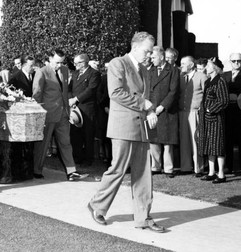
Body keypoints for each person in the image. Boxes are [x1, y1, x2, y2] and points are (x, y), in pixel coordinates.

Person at [88, 31, 165, 232]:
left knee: (144, 174)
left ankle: (143, 217)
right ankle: (98, 206)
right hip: (123, 127)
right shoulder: (118, 63)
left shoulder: (144, 69)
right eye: (148, 51)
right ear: (136, 47)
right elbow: (115, 93)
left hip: (141, 128)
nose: (150, 55)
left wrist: (149, 110)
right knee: (118, 169)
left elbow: (147, 95)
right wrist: (144, 104)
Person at [32, 49, 88, 181]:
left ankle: (71, 172)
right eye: (57, 62)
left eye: (61, 62)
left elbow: (65, 92)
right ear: (50, 58)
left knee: (66, 143)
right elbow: (36, 94)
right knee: (43, 144)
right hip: (47, 114)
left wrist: (69, 109)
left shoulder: (64, 70)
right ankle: (36, 170)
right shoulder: (42, 72)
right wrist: (39, 114)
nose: (59, 65)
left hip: (63, 114)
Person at [148, 46, 180, 177]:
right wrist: (150, 108)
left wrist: (162, 106)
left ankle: (168, 168)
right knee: (154, 140)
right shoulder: (150, 71)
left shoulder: (173, 70)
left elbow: (174, 91)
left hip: (167, 111)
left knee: (167, 141)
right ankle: (155, 166)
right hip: (152, 110)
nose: (151, 59)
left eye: (154, 57)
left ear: (161, 57)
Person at [198, 57, 230, 184]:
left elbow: (224, 101)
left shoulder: (220, 81)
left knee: (218, 146)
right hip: (206, 119)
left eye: (209, 65)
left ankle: (221, 173)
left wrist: (210, 109)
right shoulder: (208, 81)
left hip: (216, 118)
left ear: (215, 67)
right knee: (209, 145)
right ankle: (211, 172)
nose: (207, 67)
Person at [221, 53, 241, 177]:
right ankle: (228, 166)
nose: (237, 63)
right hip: (227, 111)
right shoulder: (225, 75)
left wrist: (230, 87)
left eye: (239, 61)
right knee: (227, 140)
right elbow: (223, 88)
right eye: (234, 61)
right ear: (230, 61)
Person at [69, 53, 101, 166]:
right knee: (75, 134)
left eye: (77, 63)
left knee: (88, 134)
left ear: (84, 63)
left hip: (87, 108)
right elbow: (70, 88)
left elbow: (91, 89)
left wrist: (76, 99)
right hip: (75, 108)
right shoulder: (75, 73)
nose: (75, 65)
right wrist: (70, 99)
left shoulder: (94, 74)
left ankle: (88, 159)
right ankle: (77, 157)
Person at [178, 56, 207, 176]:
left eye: (184, 63)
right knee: (184, 141)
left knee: (196, 141)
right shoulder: (180, 77)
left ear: (191, 65)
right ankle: (185, 167)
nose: (182, 65)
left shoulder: (201, 76)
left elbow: (207, 94)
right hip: (183, 112)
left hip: (195, 112)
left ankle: (198, 168)